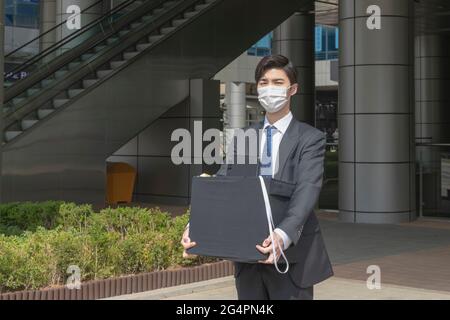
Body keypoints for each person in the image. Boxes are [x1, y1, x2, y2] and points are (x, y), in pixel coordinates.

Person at [181, 54, 333, 300]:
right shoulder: (243, 137)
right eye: (263, 82)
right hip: (247, 257)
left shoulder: (309, 138)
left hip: (290, 258)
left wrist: (282, 235)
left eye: (277, 82)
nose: (269, 88)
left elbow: (306, 191)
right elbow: (223, 186)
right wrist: (195, 228)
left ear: (292, 89)